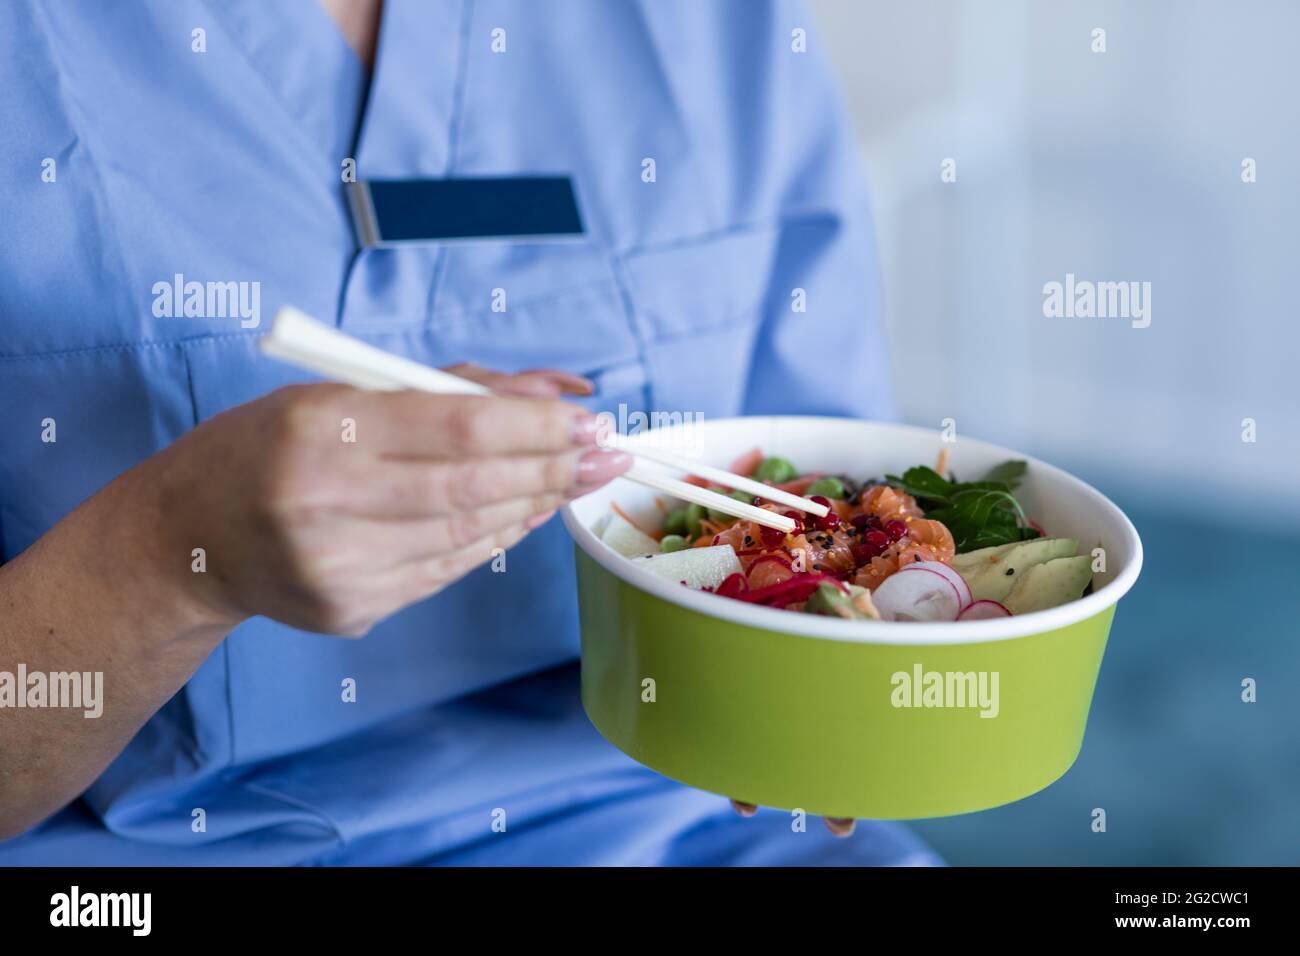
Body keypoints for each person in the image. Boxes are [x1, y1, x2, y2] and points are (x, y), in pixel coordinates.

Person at [0, 0, 937, 866]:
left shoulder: (714, 28)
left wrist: (828, 707)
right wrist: (164, 557)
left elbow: (842, 519)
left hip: (707, 827)